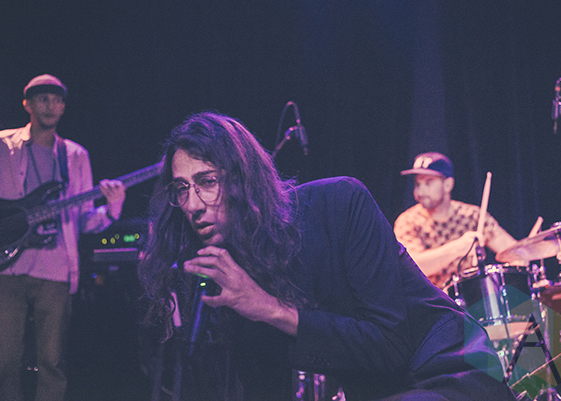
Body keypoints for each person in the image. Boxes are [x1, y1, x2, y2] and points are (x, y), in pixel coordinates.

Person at [138, 111, 517, 401]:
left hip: (452, 372)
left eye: (206, 182)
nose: (192, 204)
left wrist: (270, 308)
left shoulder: (339, 203)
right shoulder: (233, 273)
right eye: (181, 188)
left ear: (242, 178)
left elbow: (391, 346)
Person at [0, 74, 126, 401]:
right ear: (27, 104)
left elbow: (83, 221)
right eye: (43, 98)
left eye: (57, 100)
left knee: (53, 363)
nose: (51, 105)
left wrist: (112, 210)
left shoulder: (75, 155)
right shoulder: (3, 145)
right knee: (4, 362)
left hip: (55, 272)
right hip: (7, 270)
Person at [393, 152, 518, 289]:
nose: (420, 192)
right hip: (430, 299)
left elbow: (513, 252)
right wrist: (458, 247)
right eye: (418, 184)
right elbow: (411, 268)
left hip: (473, 298)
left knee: (521, 299)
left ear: (448, 185)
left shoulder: (472, 216)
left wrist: (523, 257)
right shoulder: (408, 221)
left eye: (428, 183)